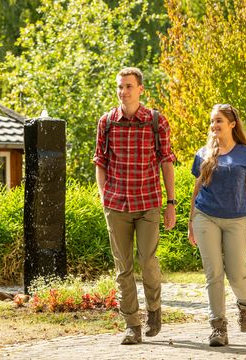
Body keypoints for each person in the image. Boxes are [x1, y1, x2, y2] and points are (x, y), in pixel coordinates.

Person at [93, 67, 177, 345]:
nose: (123, 91)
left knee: (148, 261)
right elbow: (100, 163)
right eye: (120, 86)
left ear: (140, 89)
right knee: (123, 268)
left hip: (148, 203)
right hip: (116, 205)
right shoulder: (107, 122)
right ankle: (132, 325)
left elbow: (166, 161)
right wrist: (104, 197)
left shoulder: (156, 121)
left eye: (129, 86)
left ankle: (154, 310)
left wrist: (171, 203)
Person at [188, 103, 246, 347]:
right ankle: (218, 327)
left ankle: (244, 303)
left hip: (236, 220)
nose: (214, 125)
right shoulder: (203, 153)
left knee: (236, 273)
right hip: (205, 216)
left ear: (232, 124)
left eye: (219, 120)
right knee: (213, 274)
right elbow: (196, 189)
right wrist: (190, 223)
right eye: (212, 121)